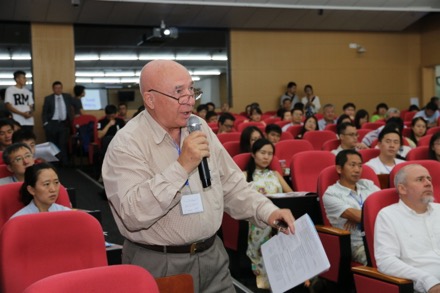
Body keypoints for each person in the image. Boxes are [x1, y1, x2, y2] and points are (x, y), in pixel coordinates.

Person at [101, 60, 295, 293]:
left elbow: (231, 184)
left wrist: (268, 211)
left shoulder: (198, 126)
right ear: (150, 99)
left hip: (213, 256)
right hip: (161, 263)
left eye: (191, 90)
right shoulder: (126, 144)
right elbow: (132, 213)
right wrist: (181, 167)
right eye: (179, 92)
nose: (190, 100)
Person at [375, 164, 440, 293]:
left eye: (429, 179)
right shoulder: (388, 216)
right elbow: (386, 261)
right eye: (420, 179)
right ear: (402, 189)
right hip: (425, 286)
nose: (428, 183)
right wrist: (427, 281)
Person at [244, 138, 293, 289]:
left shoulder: (276, 174)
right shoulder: (245, 175)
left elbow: (292, 194)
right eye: (262, 152)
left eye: (270, 154)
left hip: (278, 219)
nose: (266, 157)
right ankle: (265, 281)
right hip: (257, 221)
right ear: (253, 154)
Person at [323, 149, 380, 265]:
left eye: (360, 166)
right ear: (339, 169)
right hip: (358, 245)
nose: (357, 170)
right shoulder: (331, 194)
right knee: (385, 262)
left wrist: (359, 216)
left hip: (381, 238)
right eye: (352, 165)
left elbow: (387, 209)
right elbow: (365, 216)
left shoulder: (367, 185)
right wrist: (360, 217)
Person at [42, 81, 73, 166]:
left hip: (64, 124)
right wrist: (46, 124)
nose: (58, 90)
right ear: (53, 89)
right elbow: (44, 112)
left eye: (60, 88)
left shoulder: (67, 97)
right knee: (52, 144)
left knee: (63, 143)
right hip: (52, 123)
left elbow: (73, 106)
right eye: (56, 88)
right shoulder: (48, 98)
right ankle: (54, 163)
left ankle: (64, 162)